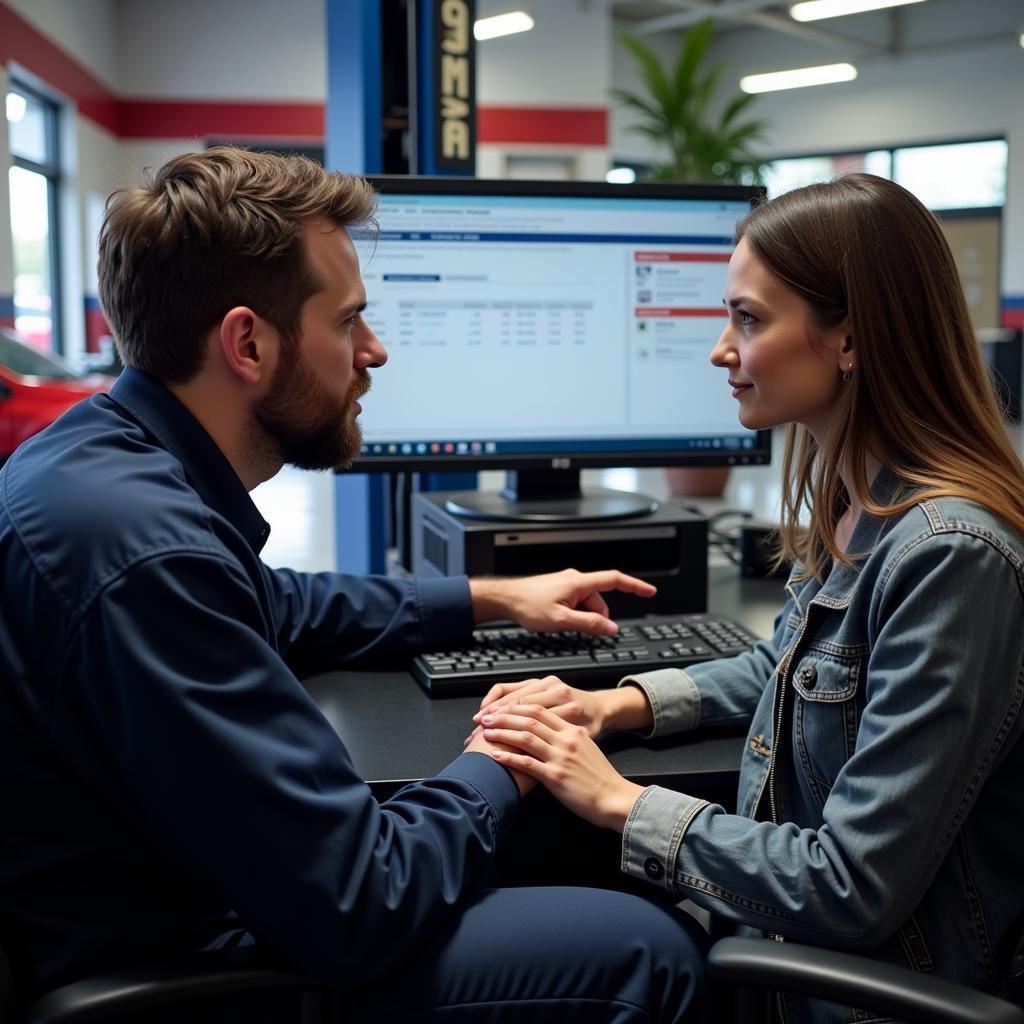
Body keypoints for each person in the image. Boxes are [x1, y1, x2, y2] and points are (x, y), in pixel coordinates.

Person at [0, 146, 711, 1022]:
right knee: (650, 950)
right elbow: (359, 900)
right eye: (348, 323)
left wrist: (492, 599)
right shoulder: (144, 553)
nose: (373, 352)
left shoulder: (99, 465)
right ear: (248, 343)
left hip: (186, 893)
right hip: (189, 962)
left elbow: (275, 603)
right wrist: (499, 757)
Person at [472, 173, 1024, 1024]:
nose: (721, 350)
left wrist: (620, 800)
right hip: (789, 952)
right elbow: (788, 663)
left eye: (750, 319)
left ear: (850, 339)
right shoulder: (864, 503)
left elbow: (852, 886)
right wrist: (614, 706)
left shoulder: (950, 555)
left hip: (863, 990)